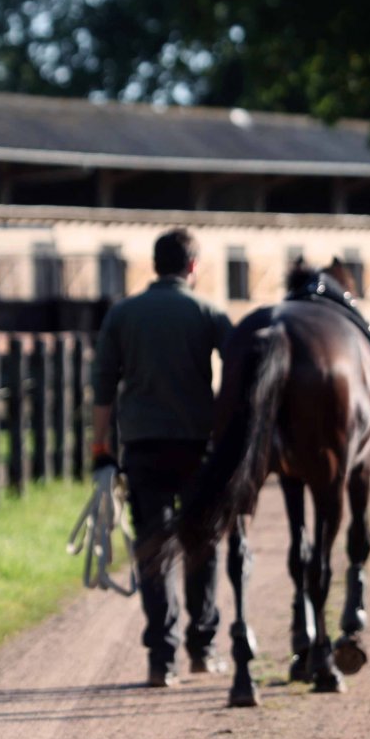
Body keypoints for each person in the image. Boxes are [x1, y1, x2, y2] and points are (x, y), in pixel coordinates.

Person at [91, 228, 233, 687]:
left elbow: (103, 386)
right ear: (192, 266)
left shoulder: (122, 314)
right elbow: (238, 374)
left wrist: (100, 448)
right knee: (202, 544)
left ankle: (162, 658)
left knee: (153, 549)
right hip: (196, 447)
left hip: (143, 446)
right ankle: (202, 648)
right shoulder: (209, 313)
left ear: (155, 265)